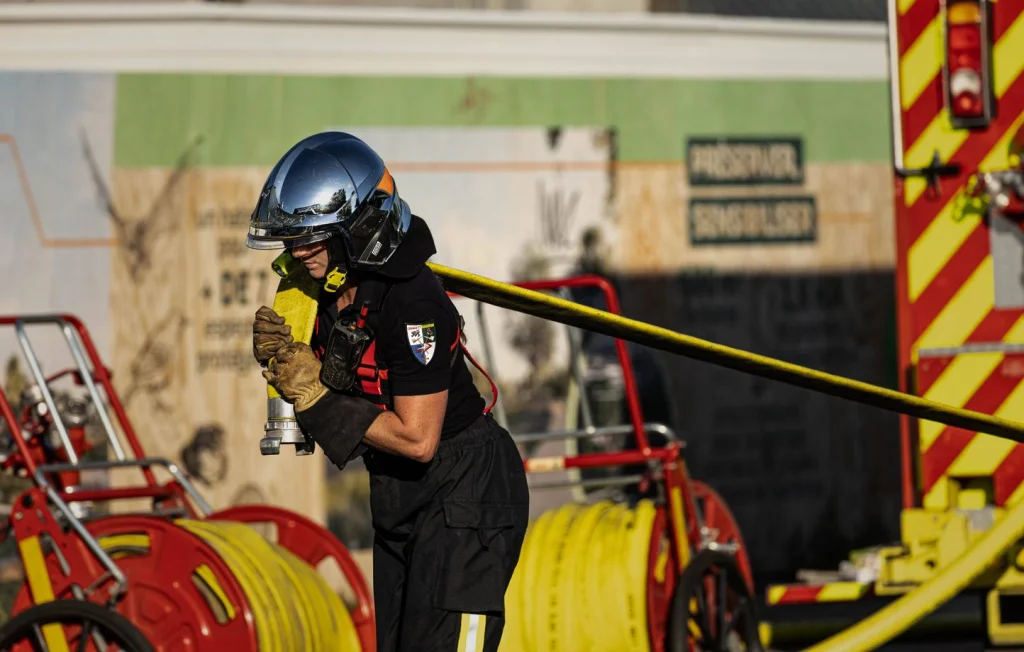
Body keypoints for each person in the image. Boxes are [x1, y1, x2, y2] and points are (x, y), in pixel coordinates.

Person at [245, 131, 530, 652]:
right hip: (398, 494)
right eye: (291, 239)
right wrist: (286, 360)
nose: (298, 252)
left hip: (465, 490)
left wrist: (315, 395)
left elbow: (418, 439)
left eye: (312, 238)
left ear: (359, 228)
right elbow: (329, 392)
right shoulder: (322, 291)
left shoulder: (413, 304)